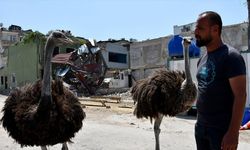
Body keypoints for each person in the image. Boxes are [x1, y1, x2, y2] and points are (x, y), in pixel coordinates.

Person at [194, 11, 247, 150]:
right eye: (196, 28)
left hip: (221, 131)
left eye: (200, 28)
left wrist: (233, 133)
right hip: (201, 128)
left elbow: (240, 96)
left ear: (215, 30)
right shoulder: (202, 59)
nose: (195, 32)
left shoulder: (231, 57)